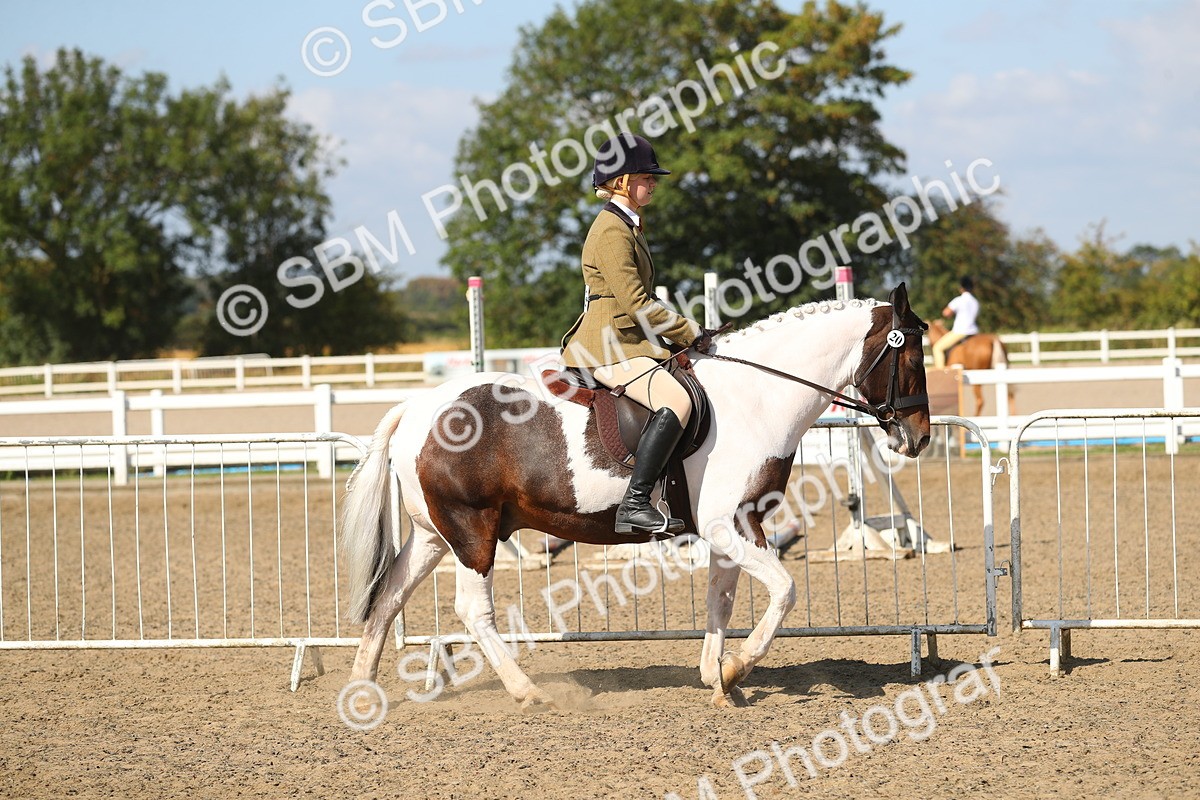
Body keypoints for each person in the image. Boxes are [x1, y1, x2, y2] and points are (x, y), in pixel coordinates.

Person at [560, 133, 713, 536]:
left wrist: (680, 338)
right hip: (607, 346)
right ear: (622, 181)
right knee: (677, 401)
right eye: (646, 177)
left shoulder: (628, 226)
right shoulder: (612, 230)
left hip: (628, 340)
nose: (653, 184)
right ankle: (635, 503)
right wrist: (690, 331)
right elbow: (637, 303)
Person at [933, 275, 980, 368]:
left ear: (961, 288)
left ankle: (941, 372)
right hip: (974, 331)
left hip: (960, 331)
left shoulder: (959, 300)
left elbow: (946, 313)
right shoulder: (976, 302)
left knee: (937, 348)